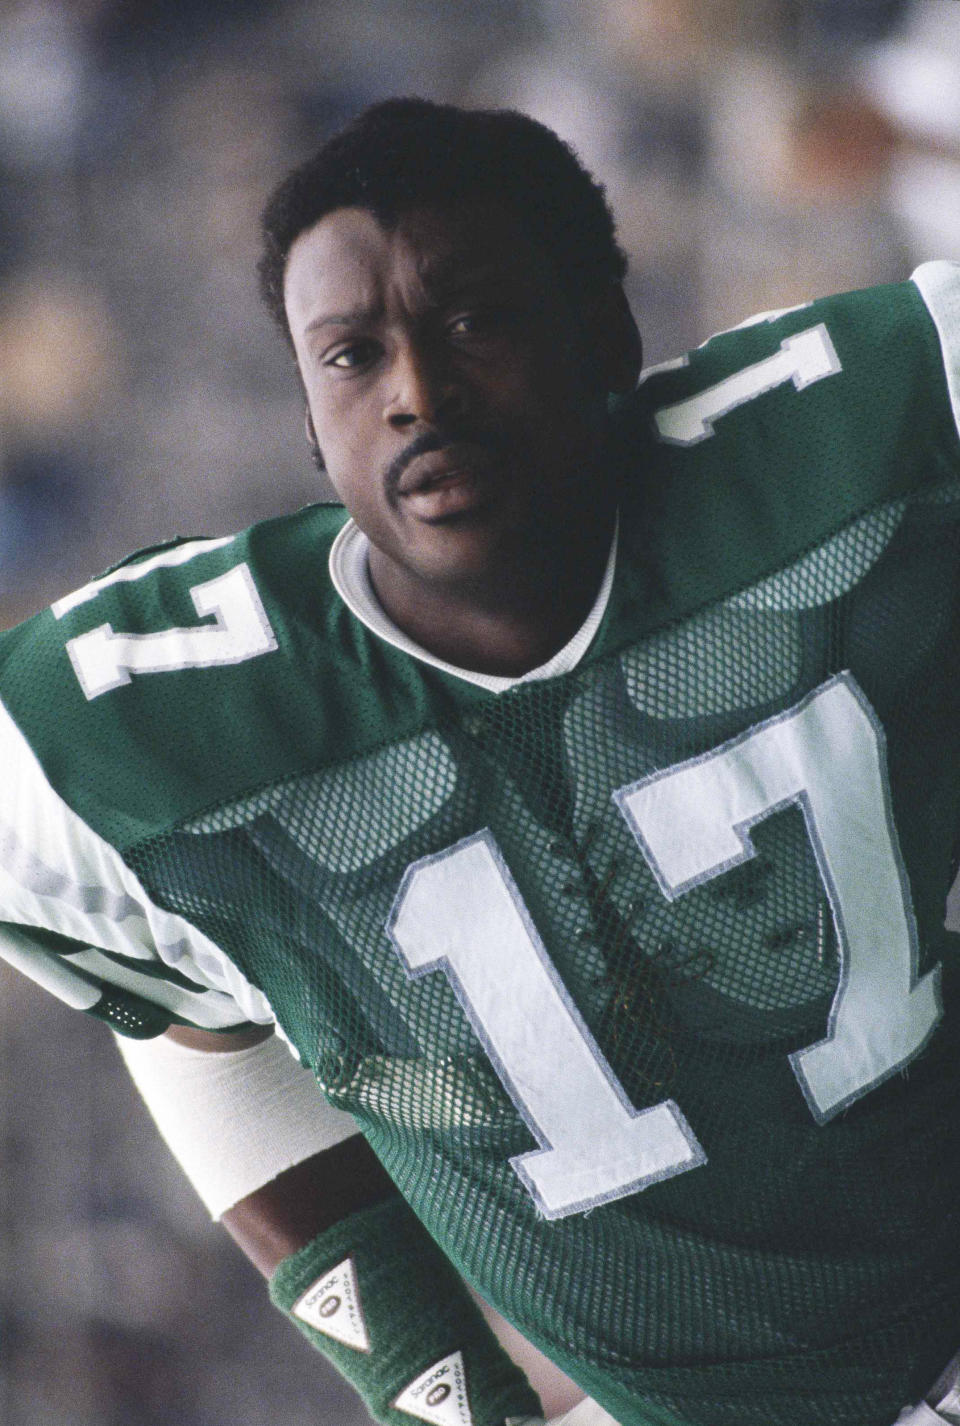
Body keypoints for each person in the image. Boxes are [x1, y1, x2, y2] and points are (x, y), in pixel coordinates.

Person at [2, 96, 960, 1426]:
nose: (417, 395)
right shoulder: (147, 727)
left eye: (471, 321)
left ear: (603, 333)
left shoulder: (869, 441)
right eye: (350, 355)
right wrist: (435, 1389)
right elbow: (183, 995)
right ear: (305, 411)